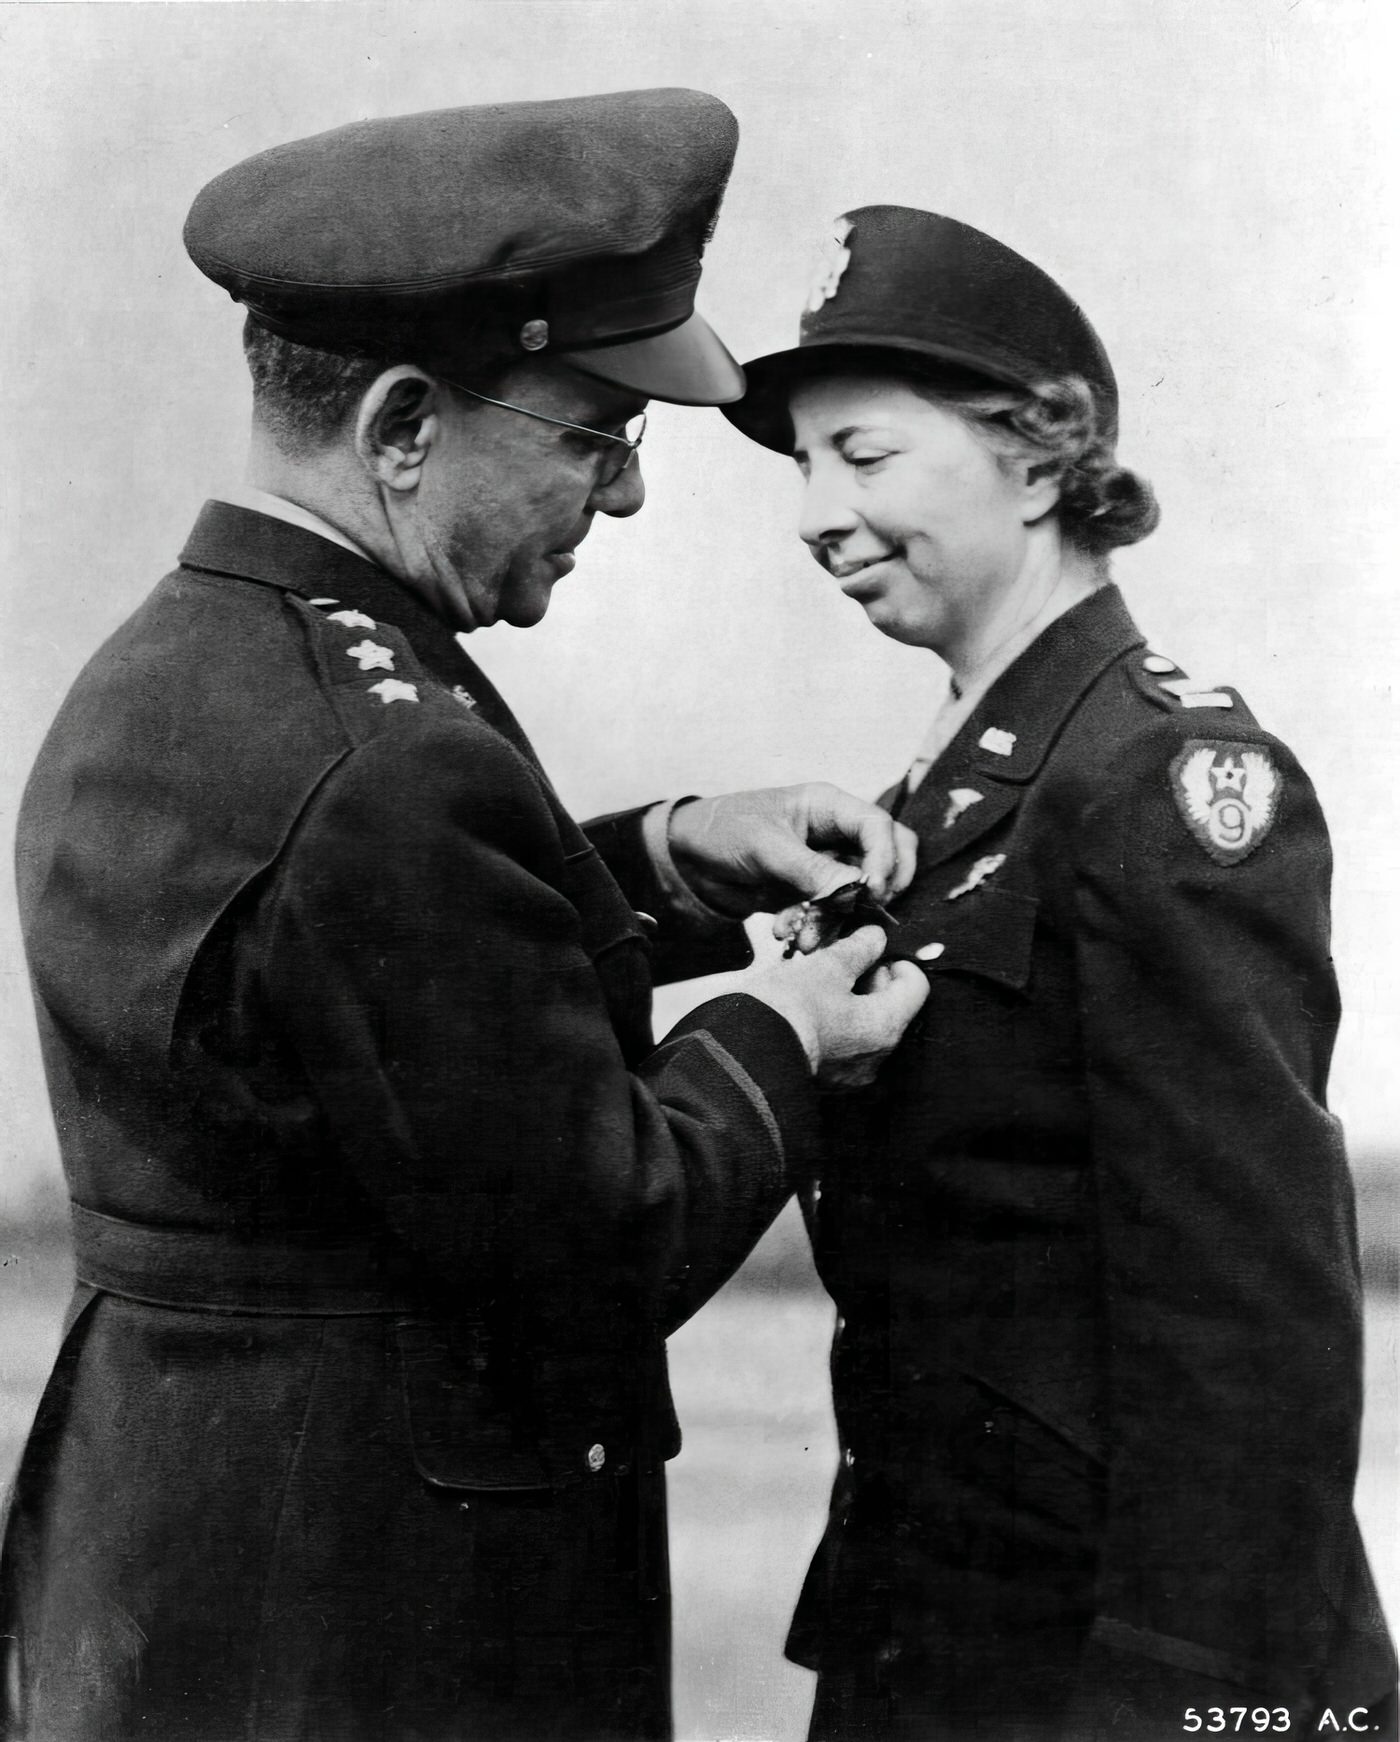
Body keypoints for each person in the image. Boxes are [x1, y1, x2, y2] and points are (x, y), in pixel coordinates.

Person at [0, 100, 930, 1742]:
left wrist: (664, 857)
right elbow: (600, 1237)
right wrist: (776, 1041)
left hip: (178, 1572)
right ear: (406, 424)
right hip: (378, 1614)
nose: (626, 497)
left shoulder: (177, 668)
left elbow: (355, 992)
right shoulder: (390, 757)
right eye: (594, 435)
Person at [724, 206, 1398, 1740]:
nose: (818, 513)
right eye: (806, 467)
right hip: (939, 1618)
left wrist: (1187, 1697)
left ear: (1038, 461)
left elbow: (1256, 1318)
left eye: (865, 457)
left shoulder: (1163, 778)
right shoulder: (956, 791)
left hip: (1107, 1656)